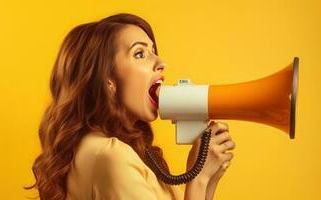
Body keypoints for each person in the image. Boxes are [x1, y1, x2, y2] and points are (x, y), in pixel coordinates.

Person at [25, 13, 235, 200]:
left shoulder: (114, 151)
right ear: (108, 80)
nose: (161, 62)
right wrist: (198, 179)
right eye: (140, 54)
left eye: (153, 51)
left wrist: (209, 179)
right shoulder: (111, 157)